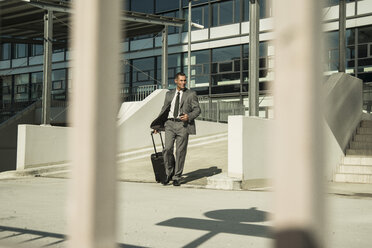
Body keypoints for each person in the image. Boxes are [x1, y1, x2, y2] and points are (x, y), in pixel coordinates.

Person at [151, 72, 201, 186]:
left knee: (180, 152)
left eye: (185, 80)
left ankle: (177, 176)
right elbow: (164, 110)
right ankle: (169, 172)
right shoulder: (169, 94)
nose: (183, 82)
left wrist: (189, 116)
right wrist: (157, 126)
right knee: (167, 149)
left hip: (183, 125)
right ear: (176, 81)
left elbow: (197, 110)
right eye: (181, 80)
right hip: (169, 124)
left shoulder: (191, 94)